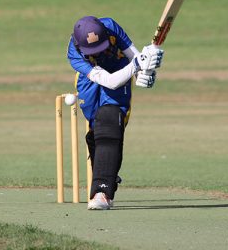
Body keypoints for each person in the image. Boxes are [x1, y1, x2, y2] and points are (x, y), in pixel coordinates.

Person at [67, 16, 163, 210]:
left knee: (110, 121)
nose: (99, 52)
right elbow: (110, 81)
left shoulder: (110, 26)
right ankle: (106, 175)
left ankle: (102, 192)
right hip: (94, 79)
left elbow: (134, 56)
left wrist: (146, 72)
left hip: (120, 69)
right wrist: (137, 66)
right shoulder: (75, 54)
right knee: (96, 132)